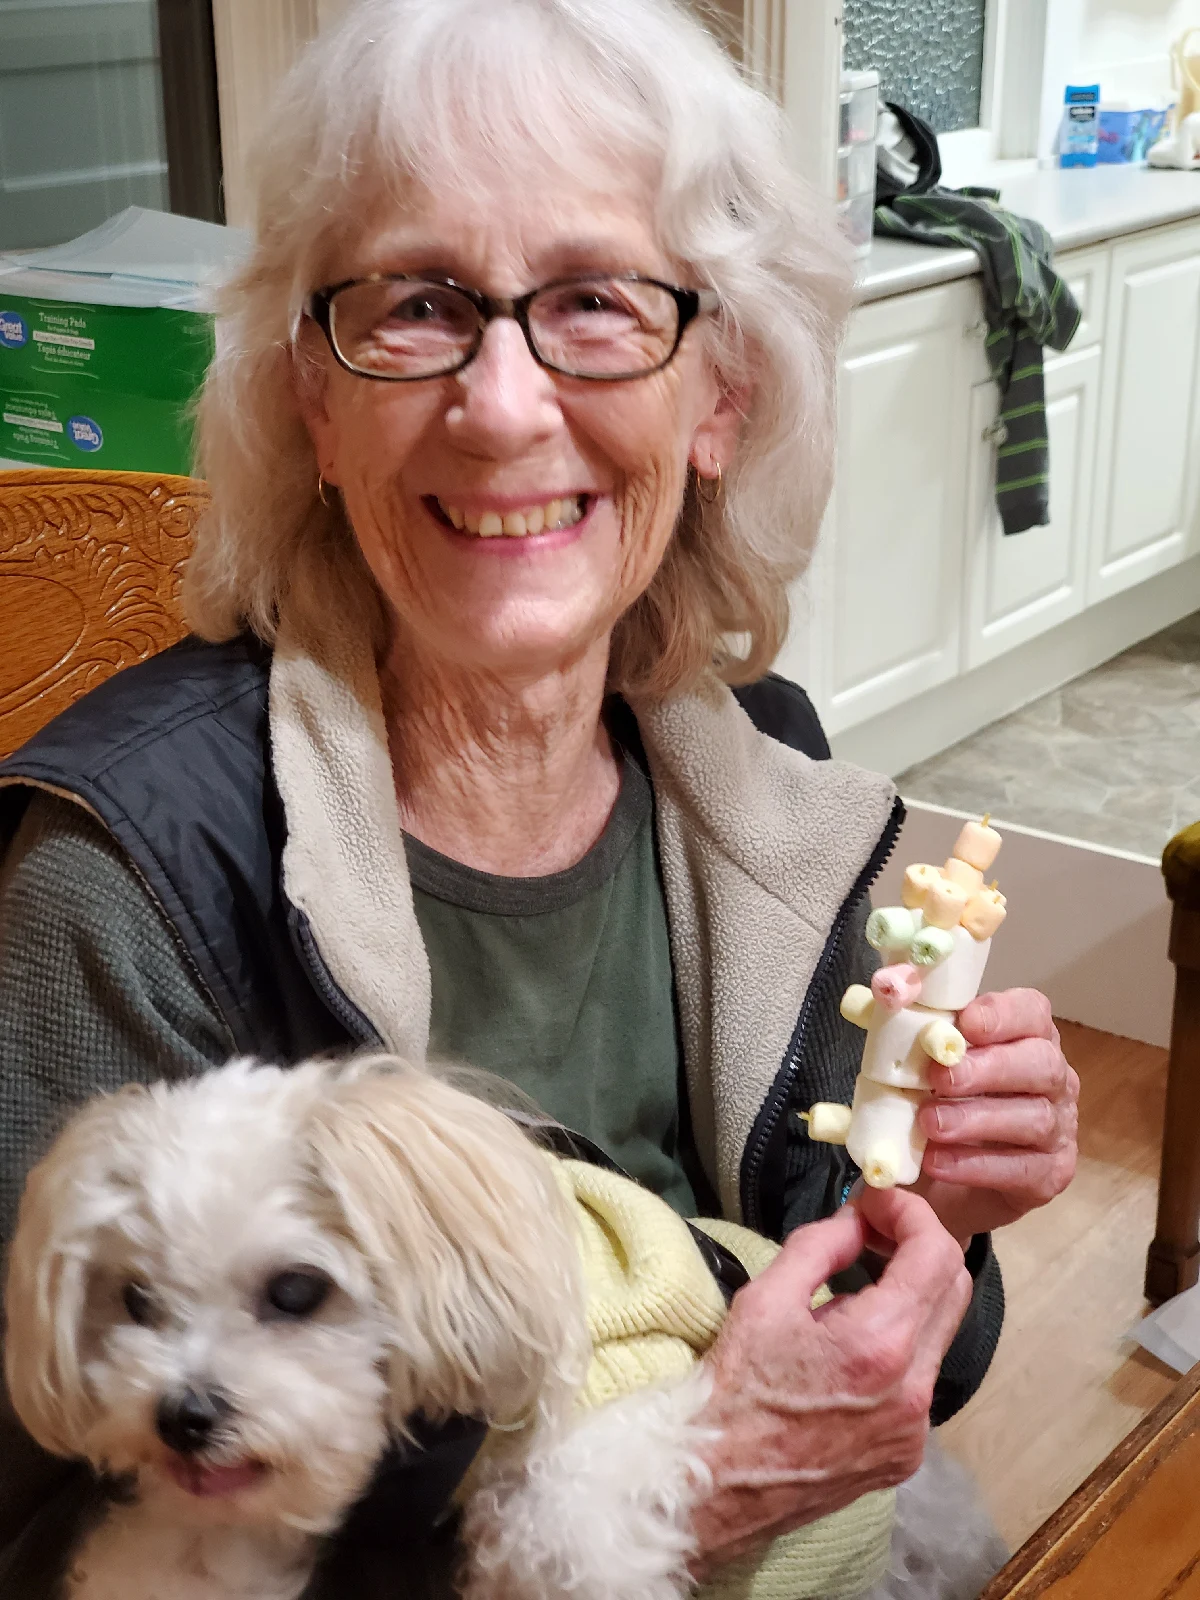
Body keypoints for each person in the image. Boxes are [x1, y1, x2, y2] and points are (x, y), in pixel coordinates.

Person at [0, 0, 1079, 1590]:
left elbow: (903, 1374)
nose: (503, 409)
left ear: (720, 398)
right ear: (313, 402)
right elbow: (46, 1538)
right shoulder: (122, 882)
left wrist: (946, 1217)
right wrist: (678, 1499)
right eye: (418, 305)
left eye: (595, 303)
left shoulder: (769, 790)